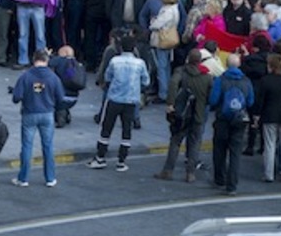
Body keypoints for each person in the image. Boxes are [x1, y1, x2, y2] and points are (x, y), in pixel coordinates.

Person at [87, 35, 149, 172]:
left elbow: (108, 77)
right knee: (127, 130)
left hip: (114, 99)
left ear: (121, 47)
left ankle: (100, 158)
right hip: (131, 100)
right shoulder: (140, 63)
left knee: (106, 128)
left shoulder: (115, 61)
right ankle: (121, 161)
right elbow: (146, 81)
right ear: (134, 48)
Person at [154, 49, 211, 183]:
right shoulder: (207, 77)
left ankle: (168, 170)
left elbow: (173, 84)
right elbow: (211, 95)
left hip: (182, 114)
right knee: (195, 143)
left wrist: (170, 103)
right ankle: (190, 173)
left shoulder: (181, 72)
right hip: (198, 114)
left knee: (175, 142)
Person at [11, 49, 64, 187]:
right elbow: (61, 97)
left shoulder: (26, 76)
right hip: (47, 114)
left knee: (27, 147)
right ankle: (50, 178)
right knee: (48, 146)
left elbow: (16, 98)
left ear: (34, 59)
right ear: (47, 60)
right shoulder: (53, 77)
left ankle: (23, 178)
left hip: (29, 113)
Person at [208, 53, 254, 196]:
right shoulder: (246, 81)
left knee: (219, 150)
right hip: (239, 120)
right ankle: (232, 185)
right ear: (239, 64)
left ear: (226, 64)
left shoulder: (220, 80)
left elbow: (213, 100)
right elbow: (251, 101)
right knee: (235, 153)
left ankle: (219, 179)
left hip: (222, 118)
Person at [256, 54, 281, 183]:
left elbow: (260, 100)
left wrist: (257, 115)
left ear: (271, 66)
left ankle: (269, 174)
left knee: (269, 145)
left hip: (269, 115)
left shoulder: (265, 80)